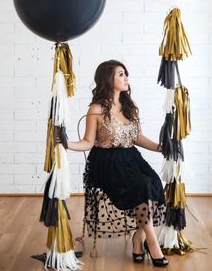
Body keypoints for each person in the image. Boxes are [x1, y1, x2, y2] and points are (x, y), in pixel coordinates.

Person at [66, 60, 168, 267]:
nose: (126, 78)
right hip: (107, 162)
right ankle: (153, 243)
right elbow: (87, 142)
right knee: (143, 187)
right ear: (108, 79)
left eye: (126, 74)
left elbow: (137, 137)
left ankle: (138, 238)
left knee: (154, 184)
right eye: (121, 74)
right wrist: (64, 143)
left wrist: (162, 148)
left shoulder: (130, 107)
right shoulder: (96, 109)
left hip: (131, 158)